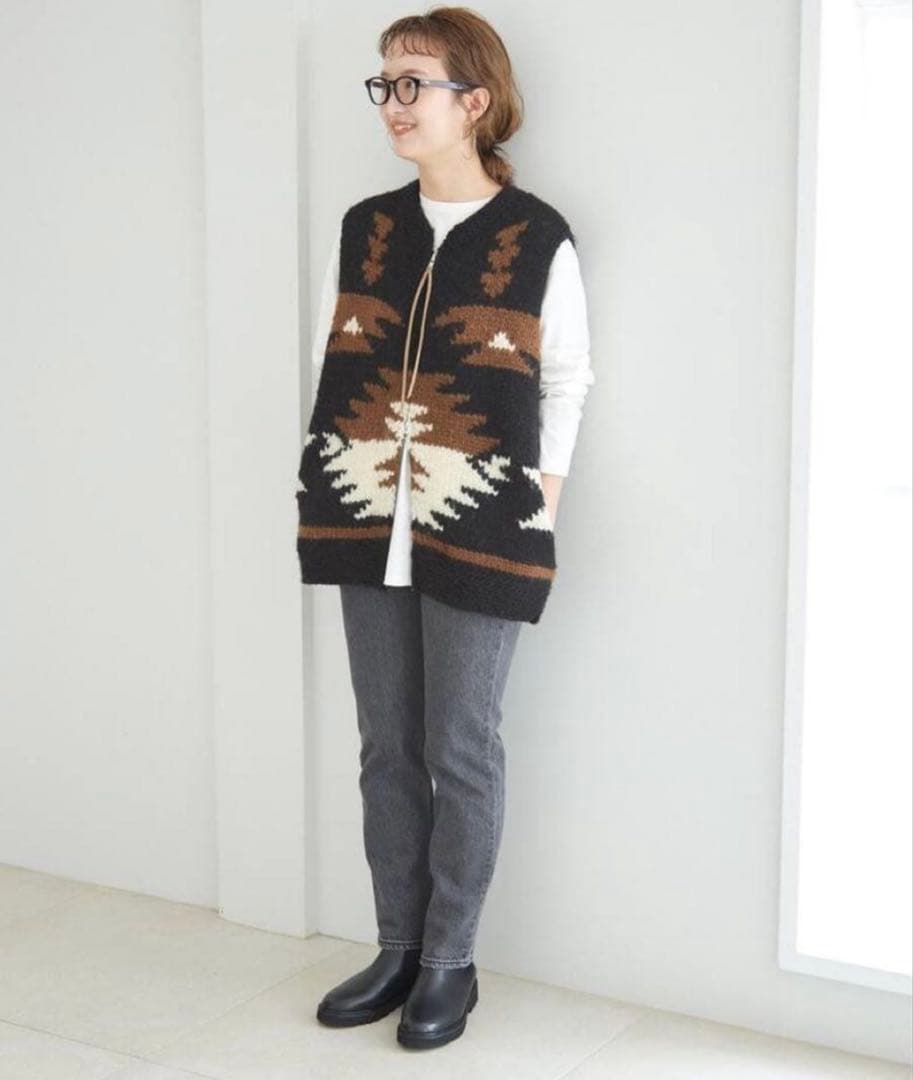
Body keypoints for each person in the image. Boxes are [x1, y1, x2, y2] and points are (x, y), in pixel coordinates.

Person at [297, 6, 594, 1050]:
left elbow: (564, 380)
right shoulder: (365, 228)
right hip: (360, 512)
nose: (393, 102)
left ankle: (451, 962)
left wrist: (537, 504)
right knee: (385, 746)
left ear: (475, 101)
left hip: (481, 523)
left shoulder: (535, 235)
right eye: (383, 83)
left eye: (413, 82)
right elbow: (339, 358)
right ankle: (397, 947)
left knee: (459, 746)